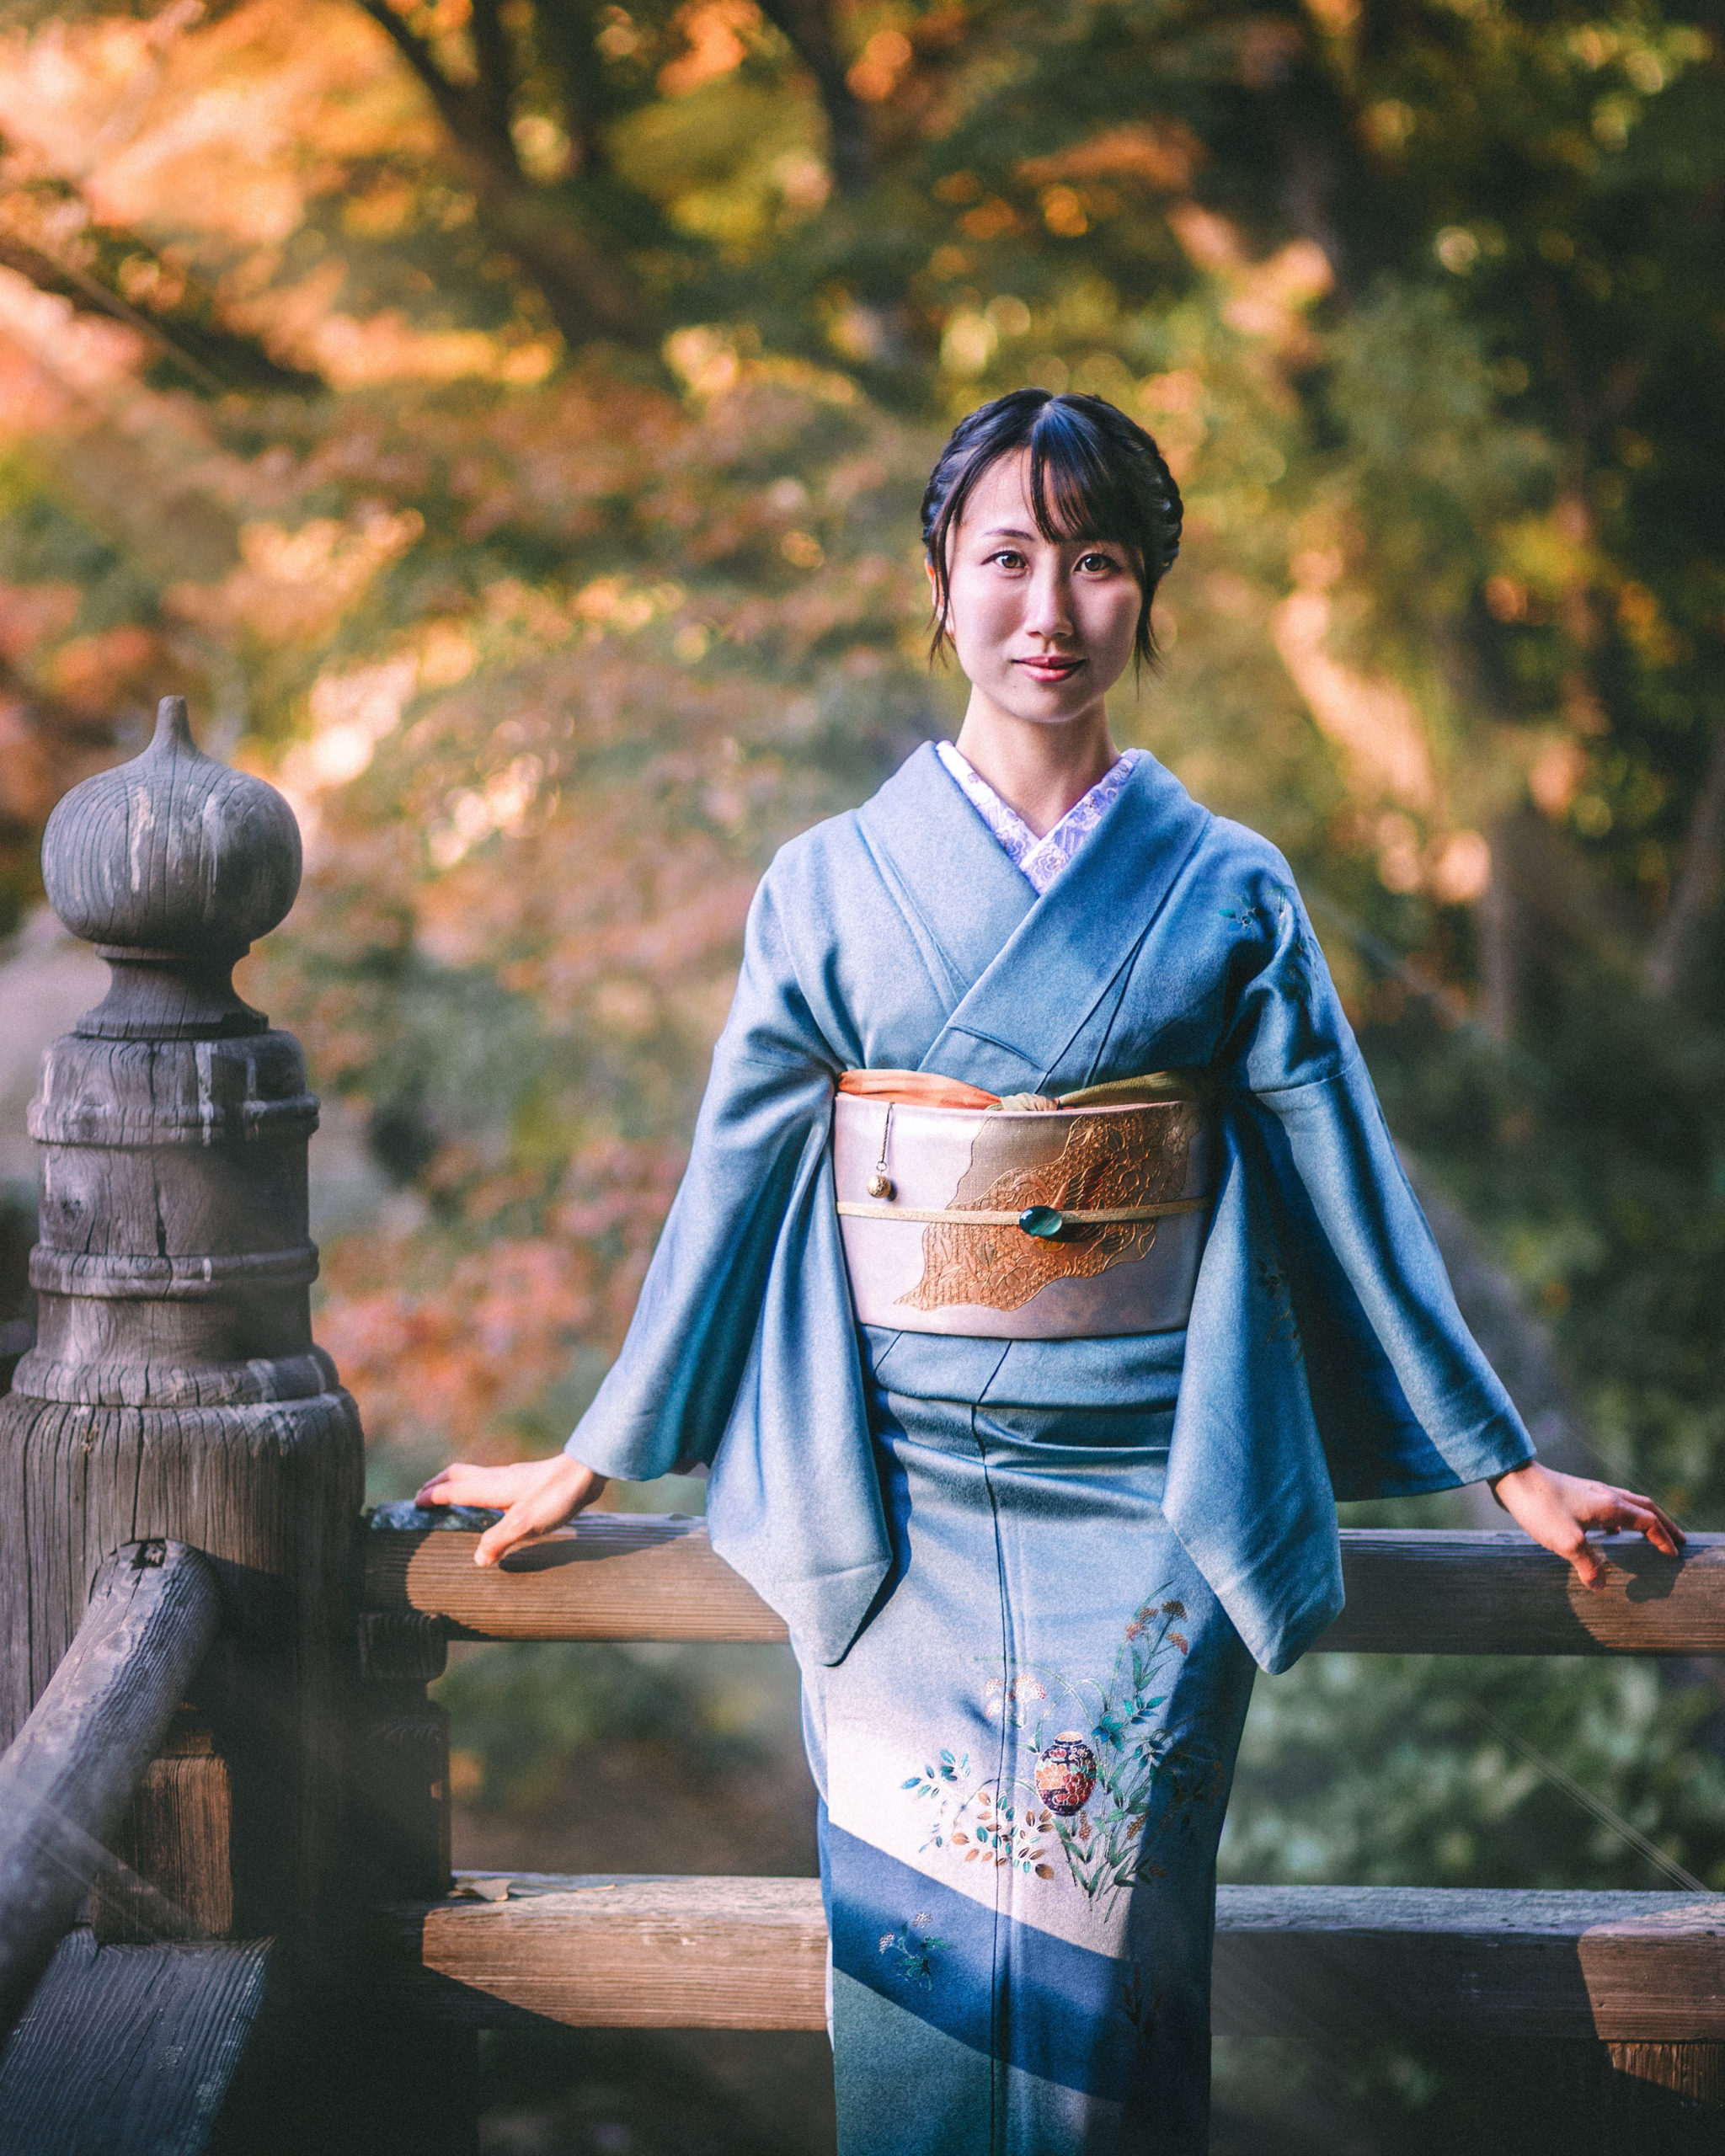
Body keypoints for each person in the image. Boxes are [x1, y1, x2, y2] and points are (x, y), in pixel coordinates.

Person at [417, 390, 1682, 2155]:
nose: (1048, 607)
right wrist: (601, 1446)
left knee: (1118, 1963)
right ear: (939, 578)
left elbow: (1344, 1178)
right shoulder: (828, 885)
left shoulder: (1228, 886)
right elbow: (733, 1173)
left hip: (1147, 1491)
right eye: (1006, 556)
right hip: (898, 1500)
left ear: (1144, 593)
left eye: (1097, 563)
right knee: (914, 1957)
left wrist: (1504, 1461)